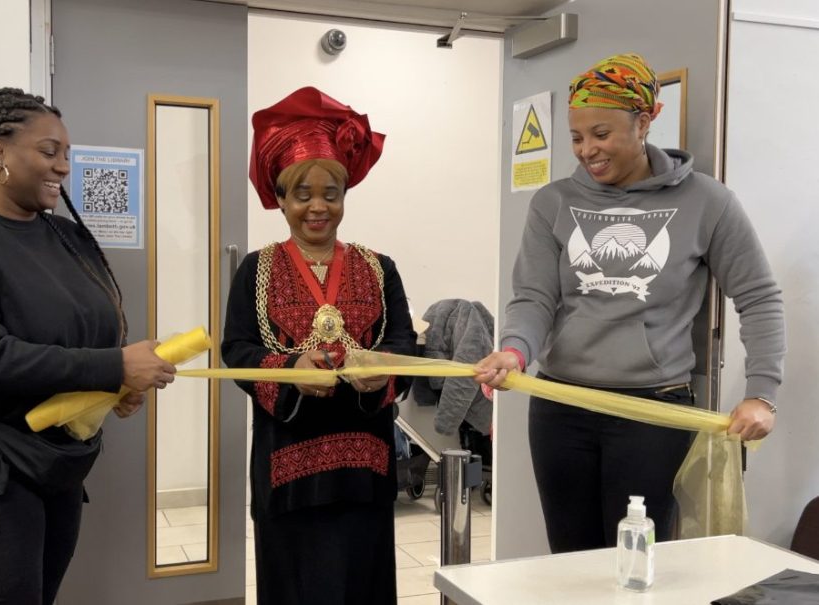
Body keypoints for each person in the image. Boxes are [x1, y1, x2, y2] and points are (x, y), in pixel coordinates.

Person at [474, 53, 785, 553]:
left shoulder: (707, 202)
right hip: (562, 406)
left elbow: (758, 297)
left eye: (601, 134)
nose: (587, 151)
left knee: (636, 563)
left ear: (643, 123)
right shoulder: (553, 203)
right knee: (570, 560)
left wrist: (762, 392)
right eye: (577, 138)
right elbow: (534, 297)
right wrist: (514, 351)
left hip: (652, 410)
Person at [0, 88, 177, 604]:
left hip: (56, 465)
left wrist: (113, 386)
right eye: (49, 152)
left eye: (67, 154)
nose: (63, 167)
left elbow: (85, 337)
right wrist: (113, 365)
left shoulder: (67, 236)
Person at [222, 86, 417, 604]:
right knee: (295, 580)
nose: (317, 207)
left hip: (365, 460)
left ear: (344, 199)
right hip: (288, 463)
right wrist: (289, 368)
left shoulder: (380, 267)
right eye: (302, 194)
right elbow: (236, 350)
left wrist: (385, 369)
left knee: (363, 576)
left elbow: (405, 343)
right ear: (280, 200)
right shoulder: (256, 268)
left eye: (330, 194)